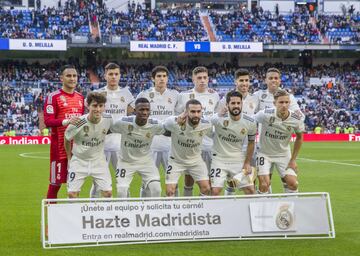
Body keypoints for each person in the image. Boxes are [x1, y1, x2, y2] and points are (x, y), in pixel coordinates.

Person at [89, 62, 134, 198]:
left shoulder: (126, 93)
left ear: (120, 76)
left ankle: (124, 210)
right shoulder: (99, 93)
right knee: (97, 183)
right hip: (101, 144)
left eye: (116, 74)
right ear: (105, 75)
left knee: (123, 182)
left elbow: (130, 114)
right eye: (110, 74)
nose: (113, 77)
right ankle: (93, 211)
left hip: (120, 144)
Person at [176, 66, 220, 196]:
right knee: (189, 178)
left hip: (210, 143)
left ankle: (207, 207)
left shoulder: (214, 95)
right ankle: (187, 203)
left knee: (210, 180)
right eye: (199, 78)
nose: (202, 80)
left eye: (205, 78)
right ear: (193, 79)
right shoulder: (183, 96)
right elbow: (178, 117)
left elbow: (216, 117)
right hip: (190, 143)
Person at [43, 65, 84, 200]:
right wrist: (66, 121)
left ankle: (72, 218)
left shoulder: (80, 97)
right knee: (55, 185)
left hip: (77, 150)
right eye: (68, 76)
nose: (72, 79)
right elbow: (48, 121)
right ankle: (48, 219)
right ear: (61, 78)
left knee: (75, 187)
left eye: (74, 76)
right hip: (59, 149)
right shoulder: (53, 97)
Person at [110, 98, 165, 198]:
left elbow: (170, 131)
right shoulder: (123, 122)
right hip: (126, 162)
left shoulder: (156, 124)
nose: (145, 112)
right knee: (121, 192)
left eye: (147, 110)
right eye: (141, 109)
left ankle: (148, 211)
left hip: (146, 162)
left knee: (156, 189)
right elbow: (108, 129)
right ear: (135, 111)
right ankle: (124, 213)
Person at [255, 89, 304, 194]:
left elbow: (300, 138)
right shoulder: (265, 114)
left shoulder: (296, 119)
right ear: (274, 103)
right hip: (264, 153)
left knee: (293, 184)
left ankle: (289, 208)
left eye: (287, 102)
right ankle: (262, 207)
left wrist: (293, 160)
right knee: (264, 185)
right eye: (281, 102)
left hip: (283, 154)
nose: (284, 105)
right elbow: (250, 123)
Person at [64, 92, 113, 198]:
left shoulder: (108, 120)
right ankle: (75, 215)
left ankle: (103, 215)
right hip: (79, 161)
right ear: (88, 106)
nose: (98, 109)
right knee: (72, 194)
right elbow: (67, 139)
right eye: (95, 106)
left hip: (99, 161)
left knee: (108, 193)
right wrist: (69, 157)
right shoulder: (79, 122)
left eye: (101, 106)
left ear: (104, 107)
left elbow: (110, 130)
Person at [211, 91, 257, 195]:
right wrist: (218, 114)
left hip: (238, 159)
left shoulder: (250, 122)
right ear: (227, 105)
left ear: (242, 104)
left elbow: (251, 142)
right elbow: (203, 122)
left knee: (250, 190)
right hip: (219, 159)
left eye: (238, 103)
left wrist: (247, 163)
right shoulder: (218, 118)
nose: (236, 106)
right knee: (214, 191)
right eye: (233, 103)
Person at [164, 99, 212, 197]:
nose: (196, 115)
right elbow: (162, 127)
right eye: (193, 112)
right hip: (176, 161)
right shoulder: (173, 122)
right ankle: (173, 212)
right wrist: (177, 123)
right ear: (186, 112)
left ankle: (197, 209)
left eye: (198, 112)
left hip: (196, 161)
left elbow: (216, 134)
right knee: (170, 191)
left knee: (206, 188)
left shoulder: (207, 124)